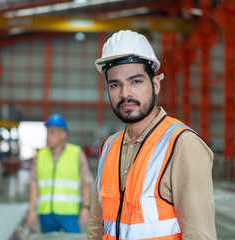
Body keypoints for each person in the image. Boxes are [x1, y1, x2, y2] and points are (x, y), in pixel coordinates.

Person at [87, 30, 217, 240]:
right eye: (115, 85)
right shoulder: (110, 146)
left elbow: (199, 234)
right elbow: (96, 225)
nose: (125, 93)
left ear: (155, 85)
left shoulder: (182, 144)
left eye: (136, 81)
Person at [26, 114, 94, 233]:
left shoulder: (76, 153)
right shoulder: (40, 155)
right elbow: (34, 184)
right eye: (48, 132)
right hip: (46, 214)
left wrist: (85, 207)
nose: (49, 136)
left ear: (63, 134)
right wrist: (31, 211)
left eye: (53, 133)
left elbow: (86, 182)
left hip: (69, 213)